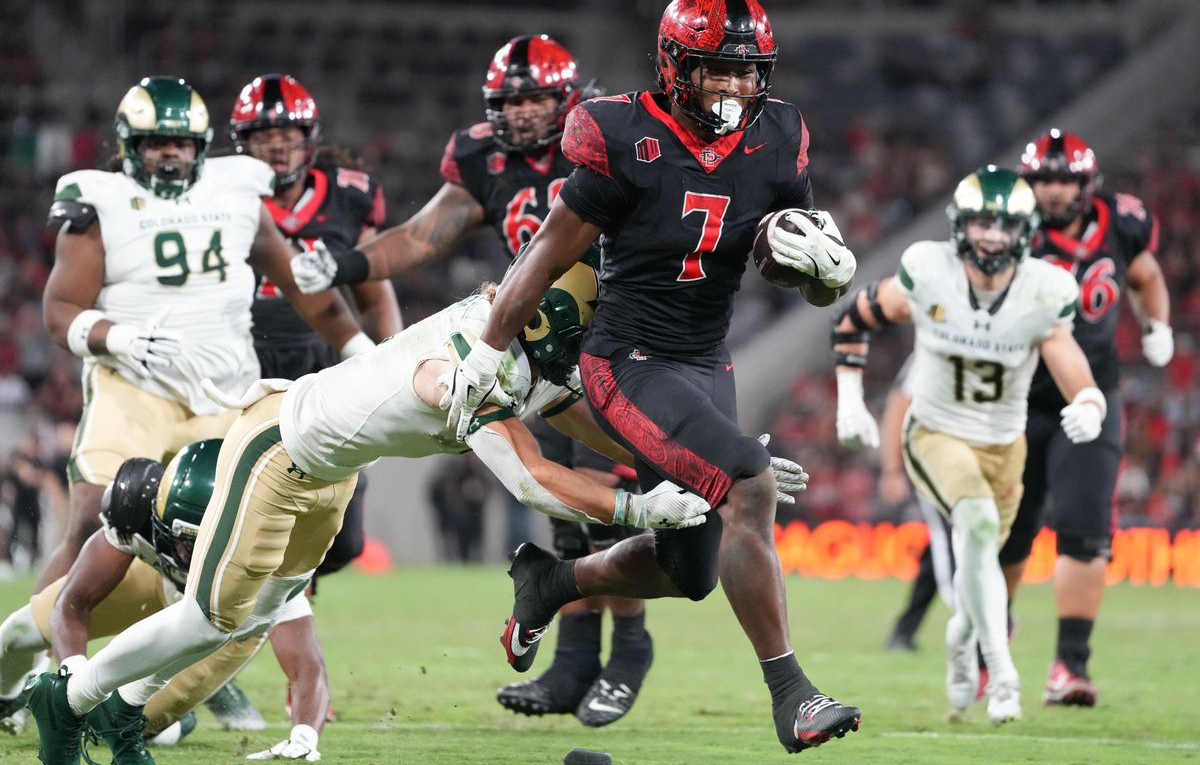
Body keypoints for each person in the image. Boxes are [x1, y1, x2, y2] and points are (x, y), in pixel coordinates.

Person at [22, 260, 740, 765]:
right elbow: (530, 478)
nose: (590, 354)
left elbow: (578, 417)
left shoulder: (514, 349)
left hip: (331, 474)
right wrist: (638, 504)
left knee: (262, 613)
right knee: (214, 617)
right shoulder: (463, 367)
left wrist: (700, 453)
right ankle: (71, 695)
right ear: (552, 324)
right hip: (277, 447)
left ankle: (120, 717)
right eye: (584, 337)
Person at [437, 0, 860, 753]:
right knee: (748, 485)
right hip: (626, 359)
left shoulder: (779, 136)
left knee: (691, 567)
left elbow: (776, 250)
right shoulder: (622, 131)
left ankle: (553, 583)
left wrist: (816, 273)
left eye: (746, 70)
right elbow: (543, 255)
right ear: (675, 65)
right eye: (716, 69)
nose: (734, 86)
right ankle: (793, 693)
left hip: (706, 361)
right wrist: (487, 352)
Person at [288, 36, 655, 725]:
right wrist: (347, 266)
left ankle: (630, 648)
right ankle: (575, 660)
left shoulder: (601, 134)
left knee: (610, 489)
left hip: (620, 326)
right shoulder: (483, 157)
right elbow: (424, 236)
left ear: (566, 95)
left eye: (536, 97)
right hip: (546, 339)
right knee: (565, 511)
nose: (521, 112)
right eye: (511, 100)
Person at [36, 75, 369, 597]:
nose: (169, 154)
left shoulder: (236, 192)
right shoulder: (100, 204)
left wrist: (357, 348)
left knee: (222, 539)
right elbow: (59, 313)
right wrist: (117, 338)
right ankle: (34, 650)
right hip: (133, 386)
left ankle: (199, 671)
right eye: (155, 143)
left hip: (225, 389)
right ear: (130, 146)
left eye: (181, 142)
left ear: (200, 145)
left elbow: (298, 285)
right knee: (92, 514)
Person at [833, 166, 1107, 724]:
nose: (991, 236)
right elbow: (851, 319)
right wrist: (848, 399)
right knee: (978, 526)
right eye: (982, 222)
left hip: (1004, 445)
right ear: (961, 225)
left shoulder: (1044, 288)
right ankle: (1003, 674)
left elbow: (1070, 361)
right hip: (935, 432)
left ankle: (962, 637)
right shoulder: (928, 270)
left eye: (1004, 226)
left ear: (1026, 231)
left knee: (979, 560)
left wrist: (1090, 403)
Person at [230, 72, 404, 724]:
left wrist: (391, 359)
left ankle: (278, 652)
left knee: (339, 539)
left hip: (329, 366)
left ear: (310, 140)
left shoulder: (350, 195)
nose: (277, 148)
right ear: (242, 143)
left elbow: (373, 280)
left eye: (288, 135)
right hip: (242, 368)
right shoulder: (222, 195)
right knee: (239, 529)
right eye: (264, 136)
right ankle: (271, 674)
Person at [0, 441, 330, 762]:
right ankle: (6, 701)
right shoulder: (137, 508)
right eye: (189, 542)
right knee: (17, 631)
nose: (195, 557)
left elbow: (306, 665)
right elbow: (74, 601)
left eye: (210, 543)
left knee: (108, 725)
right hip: (153, 580)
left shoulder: (268, 559)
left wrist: (304, 735)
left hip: (220, 626)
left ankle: (178, 721)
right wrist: (73, 673)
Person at [999, 130, 1173, 707]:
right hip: (1018, 395)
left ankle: (1069, 666)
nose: (1051, 191)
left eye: (1062, 179)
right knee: (1008, 532)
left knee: (1085, 530)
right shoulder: (1008, 227)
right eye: (1043, 180)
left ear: (1085, 182)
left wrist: (1158, 326)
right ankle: (991, 636)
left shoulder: (1121, 222)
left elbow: (1146, 275)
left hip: (1093, 394)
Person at [879, 358, 956, 653]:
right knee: (949, 538)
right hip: (936, 462)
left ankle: (905, 629)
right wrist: (891, 469)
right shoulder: (934, 346)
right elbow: (900, 403)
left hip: (981, 461)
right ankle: (972, 623)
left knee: (941, 547)